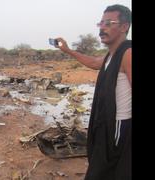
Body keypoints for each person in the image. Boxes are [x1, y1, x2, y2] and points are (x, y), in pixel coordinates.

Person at [54, 4, 132, 180]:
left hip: (118, 125)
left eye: (109, 23)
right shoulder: (111, 54)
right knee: (101, 166)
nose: (102, 28)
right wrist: (67, 50)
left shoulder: (128, 53)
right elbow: (94, 62)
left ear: (124, 27)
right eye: (101, 23)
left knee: (111, 168)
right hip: (104, 122)